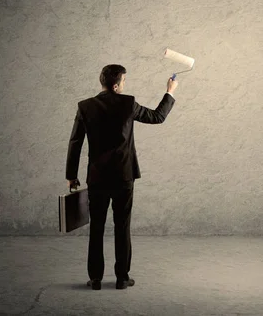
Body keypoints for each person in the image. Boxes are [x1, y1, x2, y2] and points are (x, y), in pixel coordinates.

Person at [65, 64, 178, 290]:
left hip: (97, 177)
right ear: (116, 85)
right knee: (122, 226)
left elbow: (75, 142)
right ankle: (122, 278)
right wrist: (170, 91)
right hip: (124, 176)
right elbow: (157, 117)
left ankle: (95, 278)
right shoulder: (128, 104)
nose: (125, 85)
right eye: (124, 81)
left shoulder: (85, 106)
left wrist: (71, 175)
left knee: (96, 227)